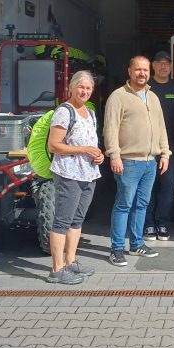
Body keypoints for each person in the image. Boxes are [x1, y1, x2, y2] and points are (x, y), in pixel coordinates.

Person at [103, 56, 171, 266]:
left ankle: (136, 244)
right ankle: (116, 249)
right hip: (128, 161)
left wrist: (165, 153)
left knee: (141, 204)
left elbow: (161, 127)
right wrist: (114, 155)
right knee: (124, 204)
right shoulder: (118, 96)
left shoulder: (153, 97)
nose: (142, 73)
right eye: (138, 70)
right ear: (129, 71)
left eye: (145, 70)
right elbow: (110, 129)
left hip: (150, 161)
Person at [45, 70, 104, 284]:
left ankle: (70, 262)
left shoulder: (90, 113)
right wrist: (85, 149)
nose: (85, 91)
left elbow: (91, 144)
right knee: (62, 220)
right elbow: (54, 145)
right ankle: (57, 269)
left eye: (88, 88)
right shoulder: (64, 111)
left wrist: (98, 155)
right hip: (68, 173)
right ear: (71, 88)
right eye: (81, 87)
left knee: (77, 220)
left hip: (88, 173)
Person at [144, 51, 174, 242]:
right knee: (147, 186)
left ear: (171, 66)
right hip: (145, 145)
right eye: (159, 63)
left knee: (168, 186)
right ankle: (148, 224)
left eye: (167, 63)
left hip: (170, 146)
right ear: (152, 66)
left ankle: (162, 222)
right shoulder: (144, 87)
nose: (163, 67)